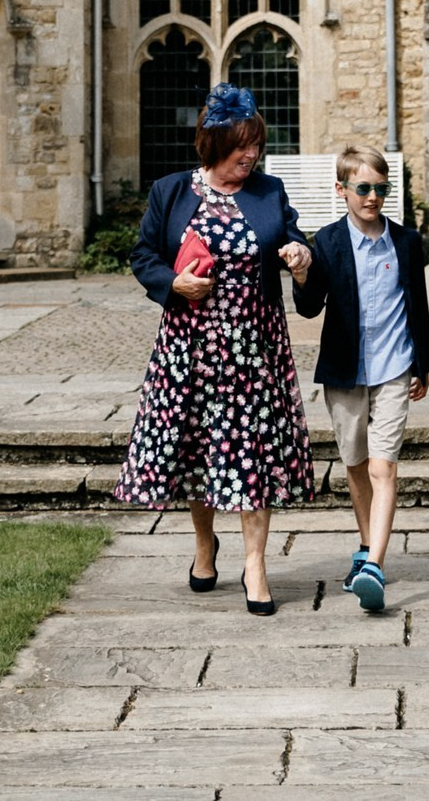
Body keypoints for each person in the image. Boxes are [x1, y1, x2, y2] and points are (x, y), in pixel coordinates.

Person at [112, 83, 317, 615]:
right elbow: (143, 257)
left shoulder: (269, 192)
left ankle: (255, 564)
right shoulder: (171, 191)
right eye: (240, 145)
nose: (251, 155)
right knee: (197, 452)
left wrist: (298, 255)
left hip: (253, 349)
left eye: (256, 145)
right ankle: (205, 545)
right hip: (189, 349)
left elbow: (291, 238)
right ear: (213, 143)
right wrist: (172, 284)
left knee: (253, 454)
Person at [291, 145, 429, 613]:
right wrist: (302, 273)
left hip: (394, 366)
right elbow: (310, 308)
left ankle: (374, 564)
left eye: (381, 189)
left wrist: (423, 364)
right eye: (364, 188)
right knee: (355, 465)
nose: (373, 197)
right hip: (346, 369)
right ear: (343, 190)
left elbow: (418, 305)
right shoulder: (328, 242)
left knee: (382, 466)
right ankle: (365, 545)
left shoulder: (406, 242)